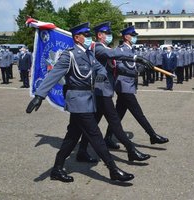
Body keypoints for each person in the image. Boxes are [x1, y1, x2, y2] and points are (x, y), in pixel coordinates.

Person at [26, 22, 134, 183]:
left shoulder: (89, 54)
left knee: (72, 136)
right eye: (86, 35)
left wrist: (98, 79)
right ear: (77, 38)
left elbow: (101, 69)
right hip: (77, 101)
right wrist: (39, 96)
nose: (89, 38)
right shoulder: (69, 55)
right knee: (95, 135)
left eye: (90, 35)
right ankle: (113, 169)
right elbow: (53, 75)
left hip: (88, 100)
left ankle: (56, 169)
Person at [76, 21, 150, 162]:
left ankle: (82, 150)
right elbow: (115, 54)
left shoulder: (104, 47)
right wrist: (135, 57)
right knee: (115, 122)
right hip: (102, 91)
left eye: (110, 33)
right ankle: (131, 150)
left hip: (102, 90)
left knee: (92, 124)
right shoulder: (98, 48)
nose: (110, 36)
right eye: (107, 33)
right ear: (99, 35)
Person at [106, 26, 169, 145]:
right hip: (123, 85)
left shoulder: (132, 50)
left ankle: (108, 137)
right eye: (133, 35)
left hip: (129, 85)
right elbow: (118, 66)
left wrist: (142, 67)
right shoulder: (121, 50)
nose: (135, 37)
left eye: (135, 35)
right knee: (138, 113)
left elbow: (134, 66)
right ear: (126, 37)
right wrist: (136, 69)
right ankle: (152, 135)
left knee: (118, 114)